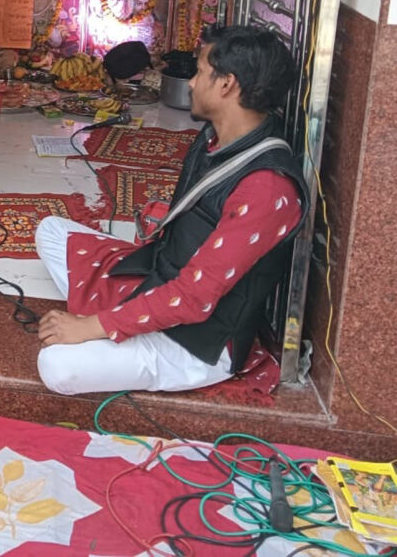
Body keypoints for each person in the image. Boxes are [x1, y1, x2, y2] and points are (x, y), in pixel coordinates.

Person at [33, 25, 308, 395]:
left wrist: (90, 326)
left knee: (57, 366)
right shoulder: (215, 137)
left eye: (199, 72)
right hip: (161, 280)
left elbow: (194, 299)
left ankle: (114, 329)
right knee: (51, 230)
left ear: (227, 84)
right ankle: (122, 322)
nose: (191, 83)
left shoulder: (268, 188)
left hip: (197, 340)